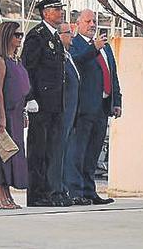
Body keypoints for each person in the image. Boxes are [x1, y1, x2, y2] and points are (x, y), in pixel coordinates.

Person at [66, 9, 121, 206]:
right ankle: (75, 191)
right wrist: (94, 49)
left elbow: (112, 74)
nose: (92, 25)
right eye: (88, 21)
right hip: (83, 109)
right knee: (78, 152)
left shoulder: (104, 47)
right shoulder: (76, 44)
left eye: (94, 21)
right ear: (78, 24)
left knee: (93, 154)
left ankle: (90, 191)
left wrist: (117, 101)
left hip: (102, 107)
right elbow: (76, 61)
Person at [22, 0, 67, 207]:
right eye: (56, 9)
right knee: (38, 151)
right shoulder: (37, 35)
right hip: (40, 103)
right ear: (45, 13)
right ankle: (36, 194)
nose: (60, 13)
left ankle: (48, 192)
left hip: (54, 103)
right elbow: (28, 68)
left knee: (51, 150)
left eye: (60, 9)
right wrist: (30, 97)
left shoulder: (55, 37)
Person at [0, 20, 29, 209]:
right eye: (17, 35)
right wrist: (1, 116)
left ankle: (8, 194)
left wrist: (23, 112)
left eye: (21, 35)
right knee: (2, 153)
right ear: (7, 36)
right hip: (5, 113)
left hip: (17, 111)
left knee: (14, 153)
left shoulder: (17, 60)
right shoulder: (1, 61)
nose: (20, 39)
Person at [55, 20, 81, 204]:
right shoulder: (59, 57)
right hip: (63, 111)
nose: (71, 36)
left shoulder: (69, 55)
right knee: (59, 152)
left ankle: (66, 188)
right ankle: (59, 188)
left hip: (72, 111)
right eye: (67, 33)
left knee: (68, 151)